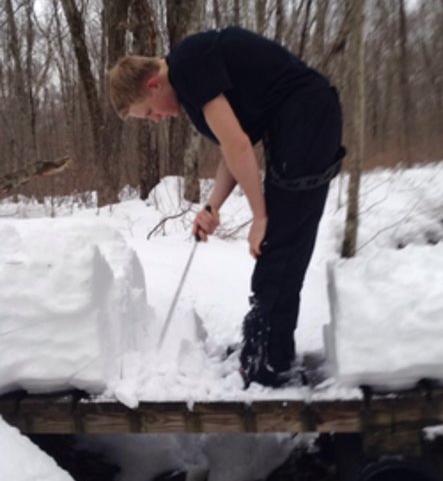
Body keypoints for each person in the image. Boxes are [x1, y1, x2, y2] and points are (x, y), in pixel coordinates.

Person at [108, 26, 345, 388]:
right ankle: (262, 349)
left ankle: (269, 361)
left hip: (308, 119)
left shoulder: (188, 65)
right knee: (279, 242)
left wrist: (260, 216)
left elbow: (238, 146)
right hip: (296, 123)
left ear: (153, 84)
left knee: (283, 240)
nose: (157, 119)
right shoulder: (191, 78)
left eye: (149, 113)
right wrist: (212, 206)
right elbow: (232, 150)